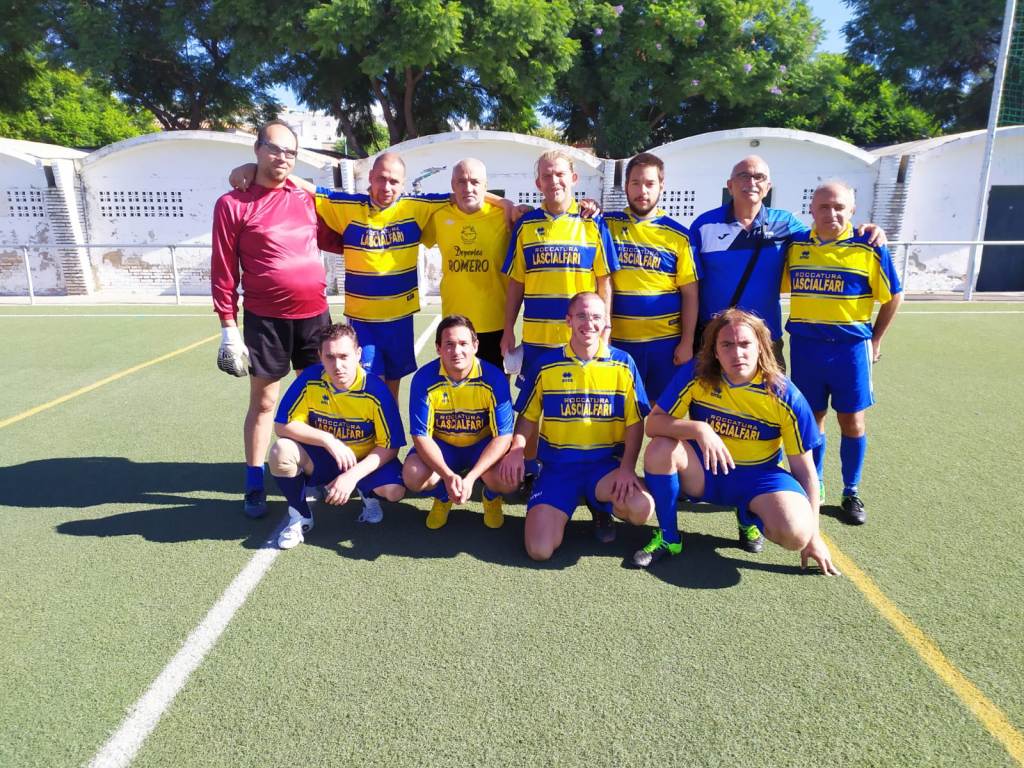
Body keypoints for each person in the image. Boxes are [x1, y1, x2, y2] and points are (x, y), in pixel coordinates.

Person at [636, 308, 838, 574]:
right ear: (715, 351)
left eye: (745, 344)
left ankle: (747, 515)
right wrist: (699, 429)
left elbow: (804, 470)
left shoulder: (785, 395)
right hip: (707, 471)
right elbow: (653, 424)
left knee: (797, 534)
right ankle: (669, 537)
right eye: (727, 345)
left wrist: (814, 536)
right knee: (660, 450)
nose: (737, 353)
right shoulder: (697, 375)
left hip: (759, 478)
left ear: (760, 347)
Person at [211, 119, 332, 518]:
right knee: (264, 403)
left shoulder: (306, 198)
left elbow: (340, 233)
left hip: (315, 317)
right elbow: (224, 270)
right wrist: (228, 327)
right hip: (266, 320)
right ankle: (253, 480)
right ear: (257, 148)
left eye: (290, 152)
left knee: (316, 400)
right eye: (275, 149)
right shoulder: (232, 203)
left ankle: (314, 471)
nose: (283, 158)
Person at [689, 155, 886, 368]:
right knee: (706, 389)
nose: (751, 182)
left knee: (773, 390)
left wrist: (866, 231)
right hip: (715, 337)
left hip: (766, 337)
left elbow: (825, 236)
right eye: (744, 176)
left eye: (759, 177)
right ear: (730, 185)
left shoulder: (785, 223)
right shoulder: (704, 225)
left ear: (768, 187)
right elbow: (690, 285)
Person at [498, 292, 653, 561]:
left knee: (642, 509)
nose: (589, 323)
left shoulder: (624, 363)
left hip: (605, 467)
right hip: (558, 468)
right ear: (568, 320)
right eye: (581, 316)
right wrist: (517, 449)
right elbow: (528, 416)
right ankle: (561, 501)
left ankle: (599, 505)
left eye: (596, 317)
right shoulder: (546, 364)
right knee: (539, 550)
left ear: (605, 322)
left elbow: (635, 422)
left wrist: (627, 468)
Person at [782, 181, 903, 525]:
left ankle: (851, 491)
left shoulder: (869, 246)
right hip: (806, 346)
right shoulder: (795, 245)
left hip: (850, 350)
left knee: (852, 420)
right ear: (812, 210)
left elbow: (894, 295)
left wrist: (876, 340)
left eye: (839, 207)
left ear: (852, 210)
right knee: (813, 417)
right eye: (824, 206)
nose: (831, 213)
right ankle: (816, 483)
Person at [268, 323, 406, 550]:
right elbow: (282, 425)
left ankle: (366, 491)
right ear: (320, 356)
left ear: (358, 354)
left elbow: (390, 447)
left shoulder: (376, 390)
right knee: (281, 451)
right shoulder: (310, 380)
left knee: (394, 491)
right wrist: (328, 440)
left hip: (363, 460)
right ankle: (300, 516)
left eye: (344, 356)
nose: (338, 365)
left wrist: (352, 476)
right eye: (330, 357)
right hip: (325, 458)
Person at [500, 150, 619, 380]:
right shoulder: (525, 225)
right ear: (538, 183)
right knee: (534, 402)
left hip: (580, 338)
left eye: (560, 174)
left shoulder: (593, 223)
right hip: (536, 339)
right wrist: (508, 329)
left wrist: (606, 328)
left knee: (578, 401)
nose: (554, 180)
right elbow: (516, 283)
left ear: (573, 178)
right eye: (547, 176)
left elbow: (604, 282)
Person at [403, 315, 516, 529]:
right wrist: (447, 476)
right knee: (412, 475)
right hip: (443, 446)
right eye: (449, 344)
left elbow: (503, 436)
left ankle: (491, 496)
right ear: (438, 348)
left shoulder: (494, 378)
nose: (457, 351)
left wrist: (472, 477)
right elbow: (420, 436)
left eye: (463, 343)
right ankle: (443, 496)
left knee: (509, 479)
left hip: (481, 446)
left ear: (475, 346)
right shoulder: (424, 378)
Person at [604, 152, 700, 401]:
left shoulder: (679, 236)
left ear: (661, 186)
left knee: (662, 414)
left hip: (665, 344)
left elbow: (690, 294)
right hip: (619, 342)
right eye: (635, 183)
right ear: (626, 186)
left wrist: (687, 342)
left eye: (649, 183)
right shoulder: (606, 225)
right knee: (620, 414)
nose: (642, 191)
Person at [420, 159, 512, 369]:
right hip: (454, 324)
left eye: (475, 182)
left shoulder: (505, 215)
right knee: (456, 386)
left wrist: (507, 204)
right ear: (452, 185)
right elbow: (412, 208)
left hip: (495, 323)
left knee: (496, 386)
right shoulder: (439, 216)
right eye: (461, 182)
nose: (468, 188)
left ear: (485, 185)